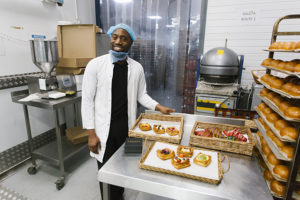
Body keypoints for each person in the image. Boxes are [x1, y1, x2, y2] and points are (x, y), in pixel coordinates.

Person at [81, 23, 175, 200]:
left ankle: (121, 196)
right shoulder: (95, 65)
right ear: (111, 38)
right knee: (106, 173)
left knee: (128, 167)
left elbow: (142, 95)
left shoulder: (137, 68)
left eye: (124, 38)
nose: (118, 41)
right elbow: (86, 101)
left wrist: (158, 107)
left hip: (129, 130)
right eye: (115, 37)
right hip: (103, 132)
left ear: (130, 43)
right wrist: (91, 133)